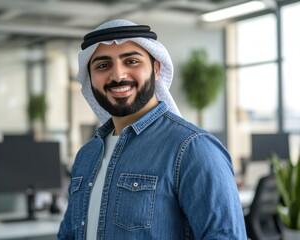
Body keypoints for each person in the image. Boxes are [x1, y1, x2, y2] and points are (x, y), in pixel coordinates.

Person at [58, 19, 247, 240]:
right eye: (103, 65)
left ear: (156, 69)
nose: (118, 75)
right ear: (90, 79)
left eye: (131, 61)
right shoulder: (86, 155)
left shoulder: (193, 149)